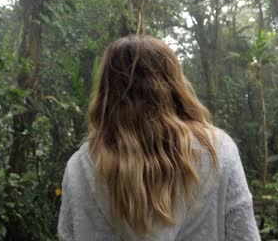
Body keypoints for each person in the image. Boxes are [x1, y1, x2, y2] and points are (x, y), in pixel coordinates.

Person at [57, 35, 260, 241]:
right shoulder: (218, 149)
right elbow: (245, 234)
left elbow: (68, 235)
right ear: (174, 84)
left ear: (107, 92)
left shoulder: (79, 169)